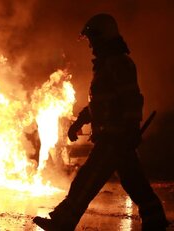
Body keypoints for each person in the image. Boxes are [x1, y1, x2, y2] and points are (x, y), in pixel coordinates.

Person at [33, 13, 168, 231]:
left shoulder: (119, 64)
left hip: (115, 138)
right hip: (113, 138)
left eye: (92, 38)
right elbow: (100, 103)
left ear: (103, 37)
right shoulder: (107, 65)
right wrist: (80, 121)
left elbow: (132, 99)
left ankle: (62, 222)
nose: (90, 45)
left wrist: (131, 130)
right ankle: (156, 222)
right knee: (135, 183)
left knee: (86, 181)